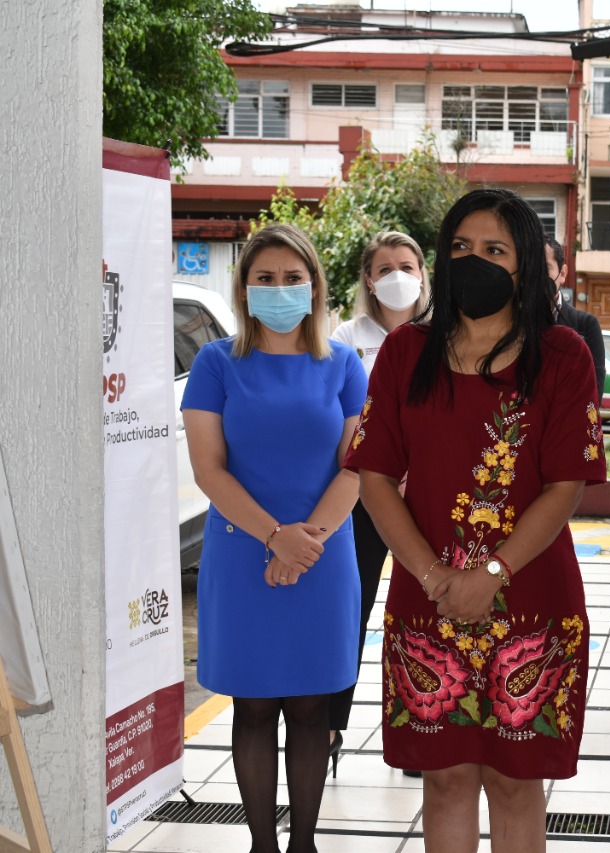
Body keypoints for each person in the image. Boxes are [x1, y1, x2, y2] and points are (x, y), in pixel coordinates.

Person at [344, 188, 606, 853]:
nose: (475, 261)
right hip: (425, 596)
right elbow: (374, 476)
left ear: (525, 265)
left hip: (531, 598)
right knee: (446, 780)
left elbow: (566, 484)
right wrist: (435, 574)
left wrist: (491, 571)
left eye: (495, 249)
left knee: (517, 783)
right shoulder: (406, 352)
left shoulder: (563, 353)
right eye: (460, 248)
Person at [182, 223, 366, 853]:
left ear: (314, 287)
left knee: (313, 706)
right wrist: (275, 538)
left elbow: (357, 465)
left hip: (324, 552)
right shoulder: (215, 363)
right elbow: (209, 469)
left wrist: (303, 542)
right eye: (265, 278)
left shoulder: (343, 364)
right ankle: (263, 845)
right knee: (255, 706)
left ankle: (305, 843)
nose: (280, 289)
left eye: (293, 278)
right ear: (243, 288)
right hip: (242, 554)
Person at [327, 230, 431, 773]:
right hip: (366, 499)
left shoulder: (444, 332)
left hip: (431, 500)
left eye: (407, 264)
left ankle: (423, 727)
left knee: (425, 620)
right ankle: (329, 730)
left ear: (422, 272)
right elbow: (347, 421)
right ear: (369, 279)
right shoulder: (348, 337)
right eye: (385, 267)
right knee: (353, 611)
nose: (397, 276)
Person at [546, 237, 606, 402]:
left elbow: (594, 390)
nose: (536, 276)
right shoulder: (509, 322)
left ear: (562, 273)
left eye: (545, 268)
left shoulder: (585, 325)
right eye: (529, 268)